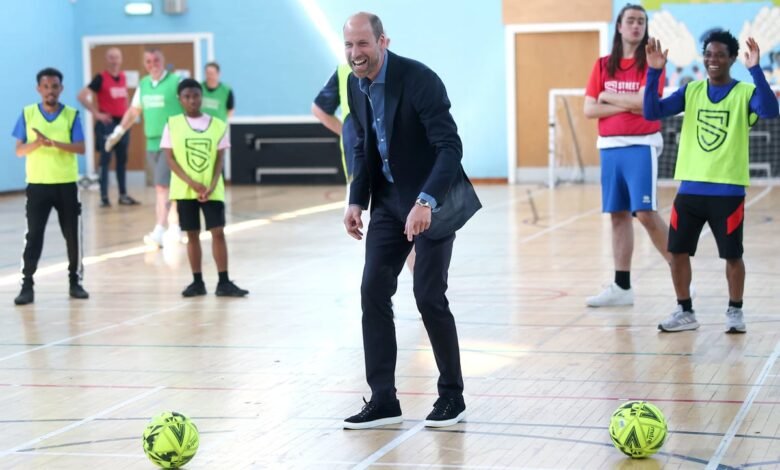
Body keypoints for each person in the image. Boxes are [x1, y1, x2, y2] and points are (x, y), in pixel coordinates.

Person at [341, 12, 481, 430]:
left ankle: (452, 396)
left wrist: (425, 201)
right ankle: (383, 399)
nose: (355, 53)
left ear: (383, 41)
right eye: (349, 45)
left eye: (363, 44)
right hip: (388, 202)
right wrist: (356, 200)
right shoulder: (354, 84)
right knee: (372, 290)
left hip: (433, 200)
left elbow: (449, 147)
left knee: (428, 295)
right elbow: (363, 146)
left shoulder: (419, 79)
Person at [644, 32, 779, 332]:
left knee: (732, 255)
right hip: (689, 190)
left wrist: (756, 69)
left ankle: (735, 311)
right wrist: (654, 71)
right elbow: (651, 112)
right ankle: (685, 311)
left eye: (719, 54)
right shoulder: (691, 90)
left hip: (728, 191)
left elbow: (771, 111)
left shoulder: (745, 92)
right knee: (677, 252)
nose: (712, 59)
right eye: (707, 54)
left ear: (732, 58)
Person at [583, 3, 671, 307]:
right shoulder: (602, 65)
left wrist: (607, 96)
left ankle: (683, 276)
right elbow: (589, 109)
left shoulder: (652, 64)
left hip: (641, 145)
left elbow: (646, 105)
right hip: (609, 148)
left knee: (645, 213)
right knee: (618, 215)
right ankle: (622, 287)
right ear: (619, 26)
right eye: (631, 20)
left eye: (641, 22)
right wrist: (628, 103)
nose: (636, 26)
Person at [312, 59, 418, 272]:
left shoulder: (398, 73)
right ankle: (386, 283)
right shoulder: (345, 72)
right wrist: (347, 132)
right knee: (379, 235)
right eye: (350, 44)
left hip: (387, 167)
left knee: (401, 230)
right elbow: (319, 109)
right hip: (362, 166)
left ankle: (415, 279)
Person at [161, 78, 248, 298]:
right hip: (185, 189)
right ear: (180, 99)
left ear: (202, 97)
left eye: (196, 95)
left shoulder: (217, 124)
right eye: (187, 97)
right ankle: (197, 281)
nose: (192, 100)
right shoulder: (172, 124)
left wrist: (211, 184)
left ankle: (224, 281)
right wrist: (192, 183)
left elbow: (220, 159)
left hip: (211, 189)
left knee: (218, 232)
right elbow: (170, 159)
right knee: (192, 234)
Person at [11, 68, 90, 305]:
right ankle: (27, 284)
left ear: (61, 89)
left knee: (72, 235)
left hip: (66, 184)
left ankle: (75, 282)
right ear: (39, 89)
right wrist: (37, 143)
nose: (50, 91)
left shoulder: (71, 115)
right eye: (45, 87)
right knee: (34, 235)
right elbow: (19, 151)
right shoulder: (27, 114)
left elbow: (80, 148)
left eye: (54, 86)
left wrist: (53, 143)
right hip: (37, 185)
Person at [105, 48, 183, 247]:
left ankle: (159, 229)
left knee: (161, 187)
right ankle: (175, 226)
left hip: (172, 143)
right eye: (148, 61)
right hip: (152, 143)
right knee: (168, 187)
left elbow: (191, 106)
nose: (152, 64)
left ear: (163, 61)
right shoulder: (144, 84)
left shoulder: (176, 82)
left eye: (156, 60)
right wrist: (118, 131)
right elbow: (133, 111)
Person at [78, 47, 140, 208]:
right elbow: (82, 96)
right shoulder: (100, 78)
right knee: (105, 161)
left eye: (117, 57)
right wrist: (97, 114)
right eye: (111, 57)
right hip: (107, 124)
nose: (114, 60)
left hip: (122, 124)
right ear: (107, 59)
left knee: (122, 160)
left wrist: (129, 118)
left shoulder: (124, 77)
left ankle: (123, 195)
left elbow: (125, 100)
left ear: (121, 59)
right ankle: (104, 197)